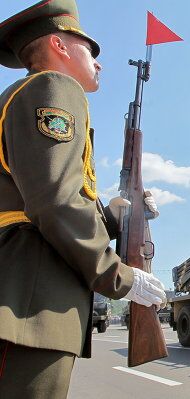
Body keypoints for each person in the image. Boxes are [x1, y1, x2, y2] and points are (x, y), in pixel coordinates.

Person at [0, 1, 166, 397]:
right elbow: (54, 202)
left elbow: (39, 197)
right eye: (91, 49)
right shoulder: (52, 87)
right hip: (29, 304)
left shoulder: (27, 95)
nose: (99, 63)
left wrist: (110, 216)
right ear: (59, 45)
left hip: (29, 299)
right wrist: (119, 276)